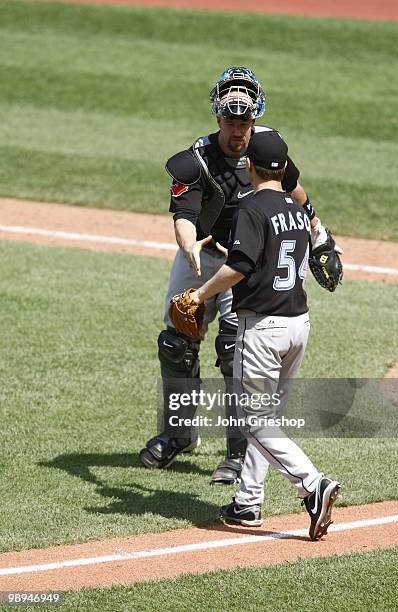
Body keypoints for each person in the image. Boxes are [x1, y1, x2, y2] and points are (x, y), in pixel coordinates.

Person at [139, 67, 334, 485]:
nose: (238, 131)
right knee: (176, 340)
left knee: (234, 349)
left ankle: (238, 449)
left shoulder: (267, 148)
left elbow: (297, 193)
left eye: (245, 121)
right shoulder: (198, 160)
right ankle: (178, 435)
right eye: (231, 121)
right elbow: (184, 215)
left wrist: (321, 236)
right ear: (218, 118)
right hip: (204, 254)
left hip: (248, 262)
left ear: (254, 118)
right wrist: (189, 245)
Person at [188, 129, 340, 540]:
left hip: (264, 329)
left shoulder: (251, 209)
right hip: (298, 326)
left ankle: (313, 485)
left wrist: (200, 294)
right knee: (268, 420)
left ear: (249, 166)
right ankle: (247, 502)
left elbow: (239, 265)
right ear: (285, 168)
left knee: (254, 420)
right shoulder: (297, 209)